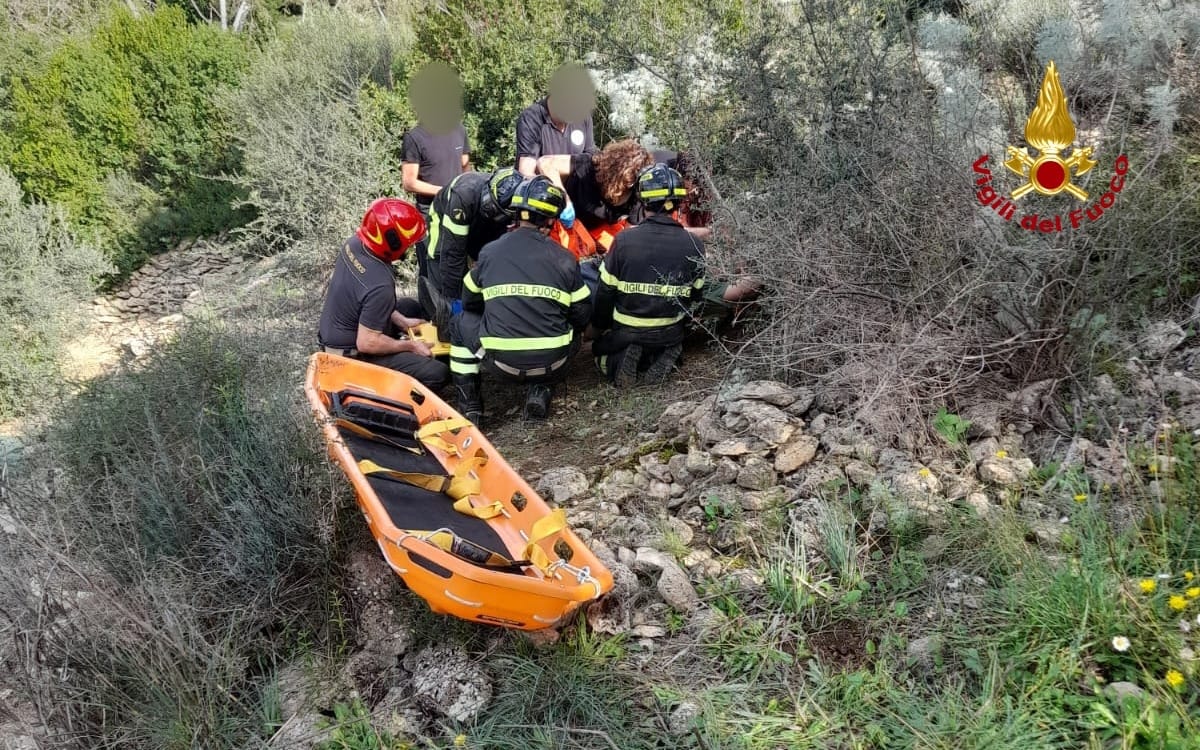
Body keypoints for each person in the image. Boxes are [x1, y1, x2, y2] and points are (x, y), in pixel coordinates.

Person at [448, 177, 591, 423]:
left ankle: (470, 409)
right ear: (550, 219)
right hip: (555, 362)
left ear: (516, 214)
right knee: (571, 333)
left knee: (458, 324)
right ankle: (541, 388)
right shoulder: (565, 258)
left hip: (501, 365)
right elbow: (582, 313)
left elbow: (469, 300)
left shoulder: (489, 253)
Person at [318, 198, 449, 391]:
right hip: (350, 358)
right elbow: (367, 343)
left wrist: (402, 321)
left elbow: (363, 299)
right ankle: (391, 401)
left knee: (409, 307)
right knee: (437, 373)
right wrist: (409, 346)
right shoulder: (380, 284)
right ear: (393, 243)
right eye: (408, 243)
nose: (409, 248)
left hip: (336, 337)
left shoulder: (353, 244)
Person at [591, 164, 705, 386]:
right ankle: (666, 355)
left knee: (599, 350)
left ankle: (617, 362)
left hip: (627, 330)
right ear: (679, 204)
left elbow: (605, 293)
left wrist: (598, 328)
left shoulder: (624, 241)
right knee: (664, 341)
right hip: (671, 330)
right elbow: (696, 298)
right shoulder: (695, 244)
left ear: (643, 201)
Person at [537, 139, 653, 293]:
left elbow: (631, 235)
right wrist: (564, 199)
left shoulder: (638, 194)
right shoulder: (589, 165)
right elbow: (545, 163)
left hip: (602, 227)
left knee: (621, 255)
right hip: (570, 220)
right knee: (565, 263)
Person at [419, 166, 524, 330]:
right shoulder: (463, 195)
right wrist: (451, 301)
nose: (491, 211)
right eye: (490, 206)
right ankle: (443, 318)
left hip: (485, 225)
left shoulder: (515, 204)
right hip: (444, 222)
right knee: (441, 264)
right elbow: (451, 254)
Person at [401, 61, 471, 277]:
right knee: (432, 270)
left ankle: (458, 310)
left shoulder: (459, 129)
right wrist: (444, 191)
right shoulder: (414, 137)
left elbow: (465, 166)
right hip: (430, 216)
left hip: (459, 213)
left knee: (460, 269)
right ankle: (430, 310)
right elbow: (409, 182)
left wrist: (470, 194)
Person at [516, 63, 597, 177]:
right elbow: (526, 171)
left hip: (576, 190)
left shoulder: (583, 117)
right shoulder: (531, 118)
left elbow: (590, 159)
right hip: (541, 189)